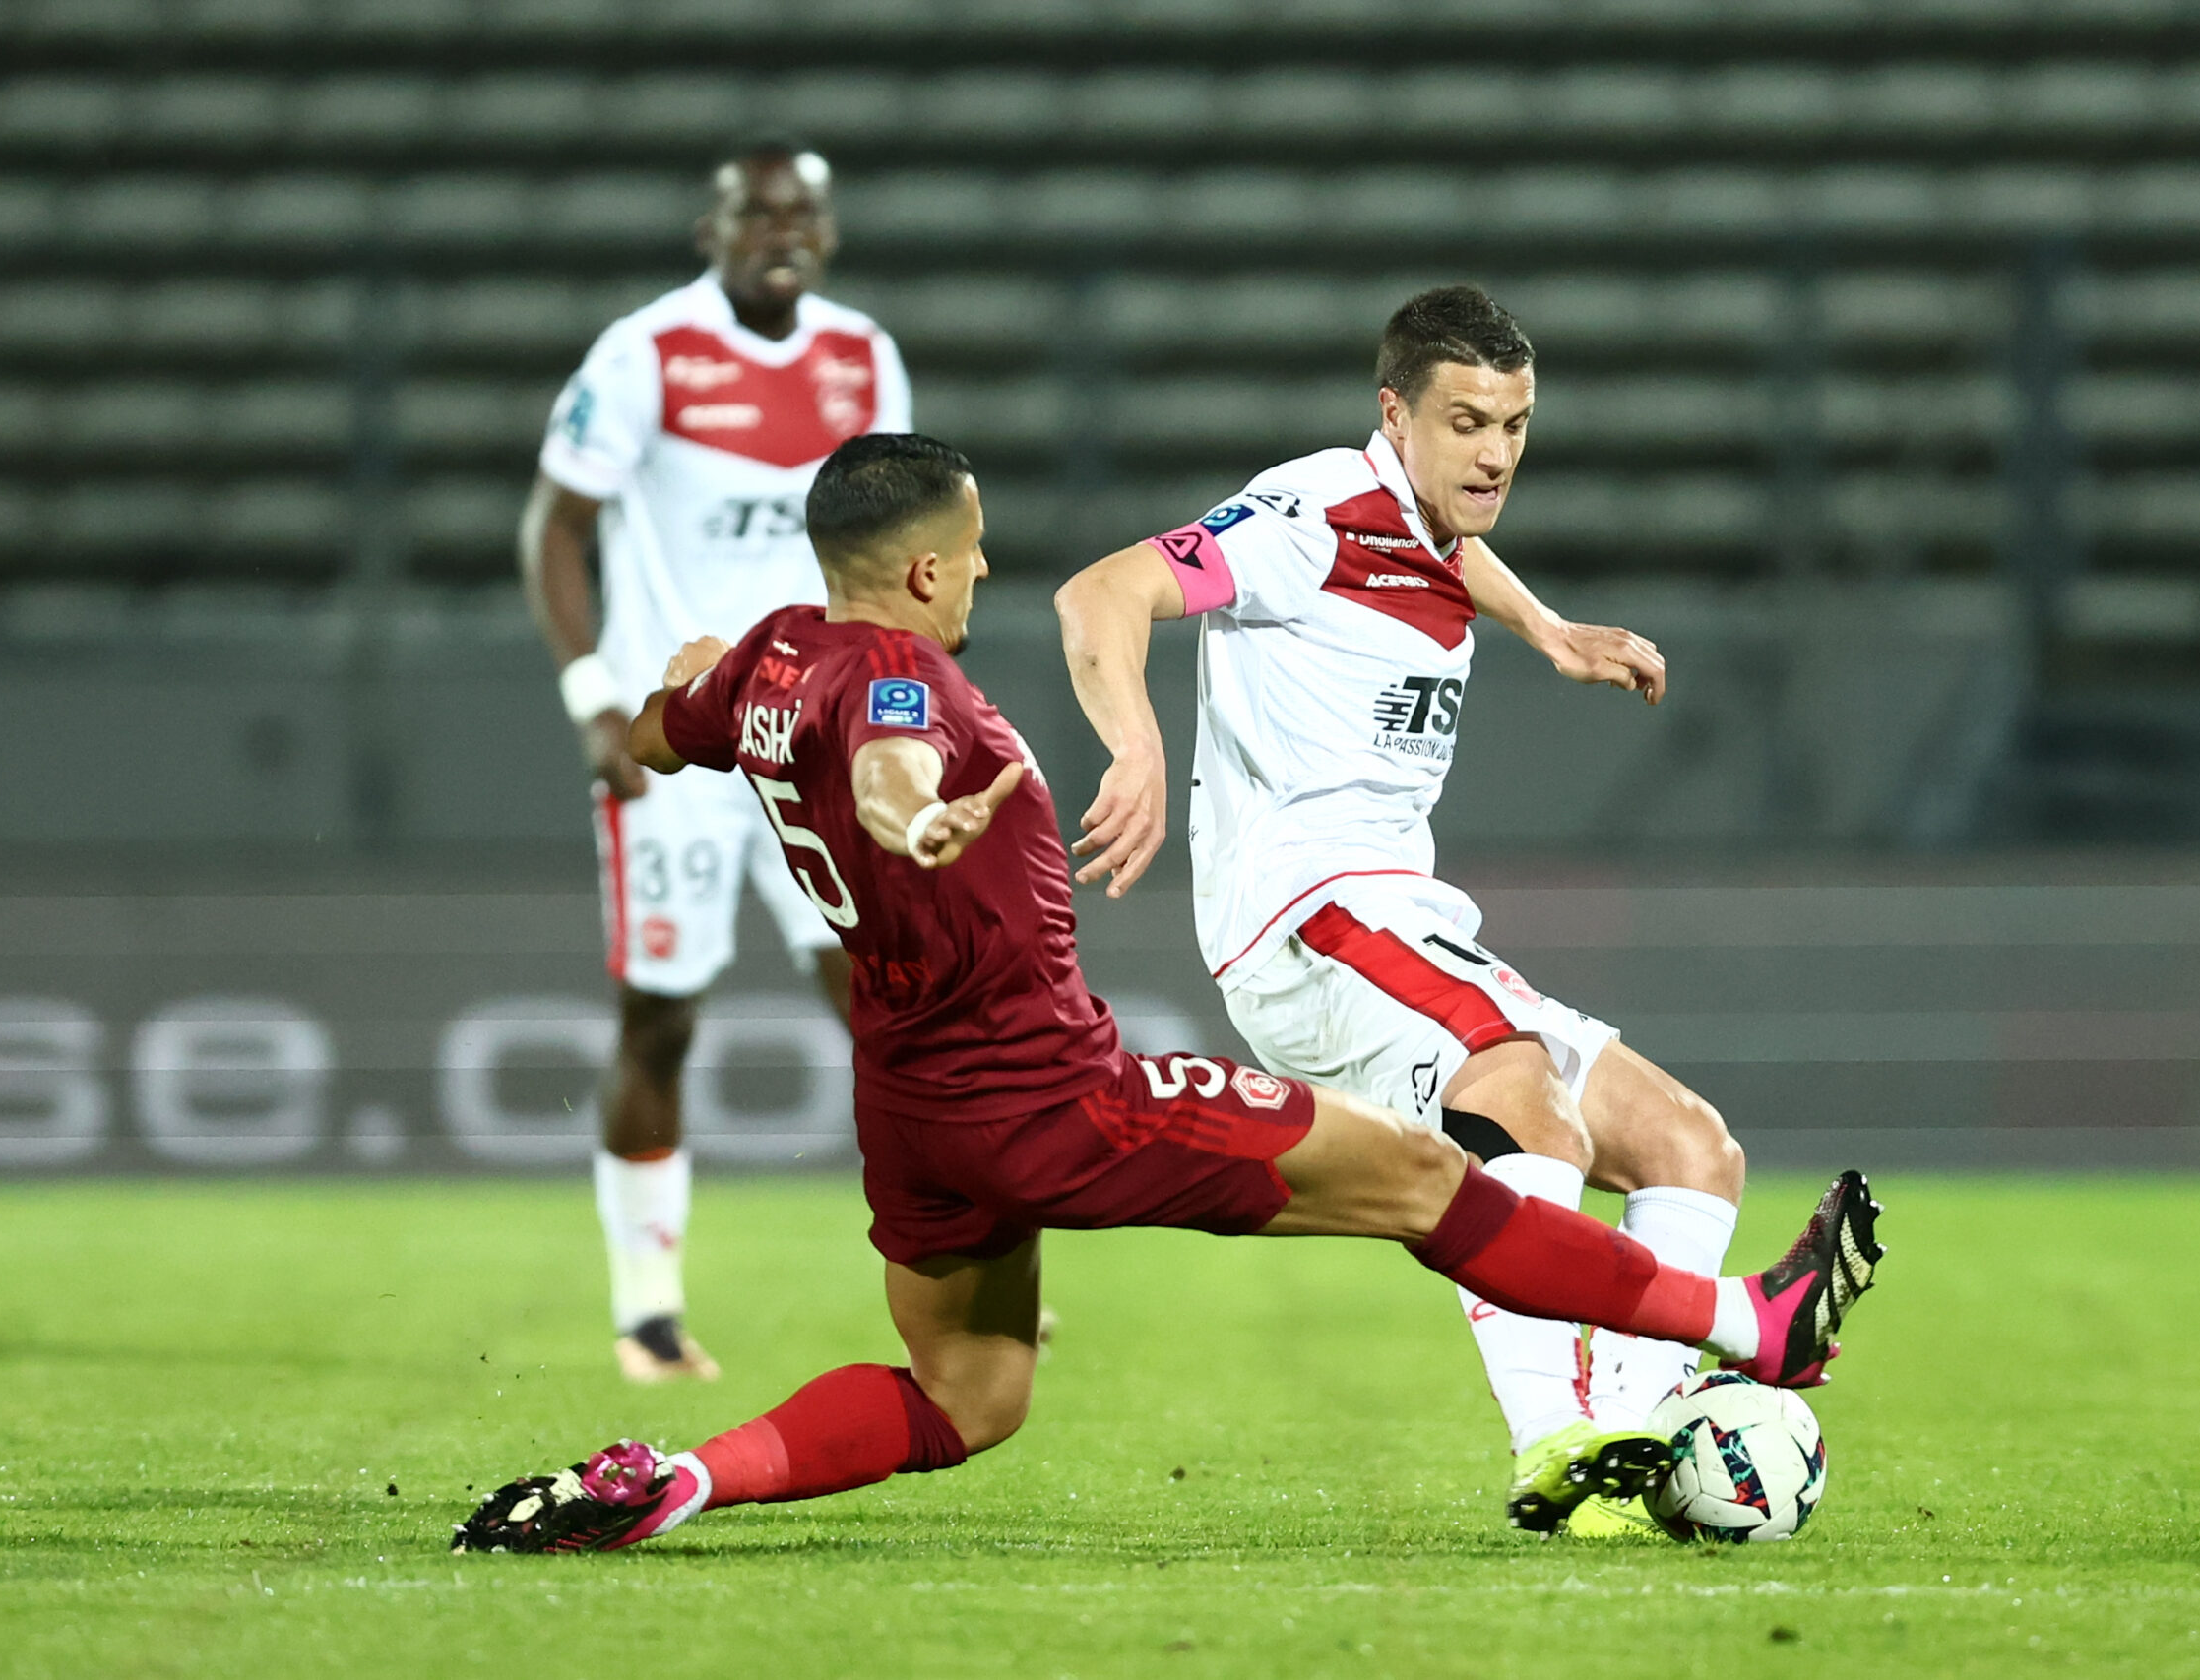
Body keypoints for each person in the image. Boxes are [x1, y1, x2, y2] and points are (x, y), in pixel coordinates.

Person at [451, 434, 1883, 1554]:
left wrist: (683, 686)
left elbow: (653, 731)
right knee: (1428, 1183)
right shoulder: (897, 680)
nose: (991, 573)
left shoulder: (772, 656)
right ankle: (1753, 1326)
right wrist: (911, 816)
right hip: (1058, 1097)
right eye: (981, 553)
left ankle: (678, 1475)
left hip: (913, 1113)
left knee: (971, 1395)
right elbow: (890, 760)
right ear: (932, 573)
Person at [1052, 284, 1780, 1536]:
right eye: (1464, 422)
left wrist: (1547, 629)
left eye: (1514, 422)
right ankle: (1558, 1441)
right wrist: (1134, 747)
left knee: (1689, 1146)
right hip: (1308, 912)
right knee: (1513, 1097)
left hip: (1404, 916)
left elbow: (1445, 545)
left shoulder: (1421, 519)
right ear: (1394, 414)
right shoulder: (1313, 505)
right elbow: (1097, 595)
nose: (1494, 452)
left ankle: (1647, 1432)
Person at [518, 139, 911, 1383]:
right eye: (755, 214)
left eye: (801, 213)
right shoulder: (648, 354)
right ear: (712, 230)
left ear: (829, 233)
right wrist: (593, 700)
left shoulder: (862, 357)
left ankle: (952, 1261)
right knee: (663, 1020)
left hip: (812, 740)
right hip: (681, 739)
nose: (779, 232)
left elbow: (894, 545)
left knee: (883, 1003)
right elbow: (555, 529)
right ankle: (647, 1312)